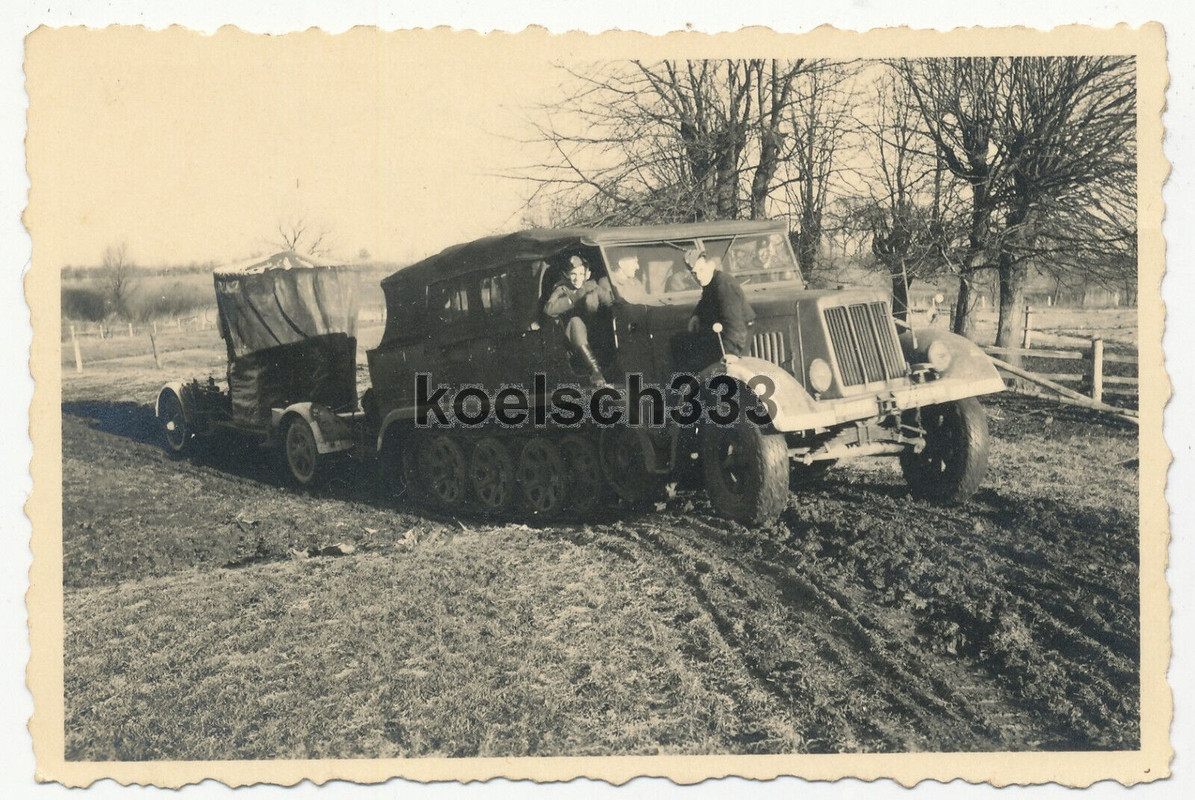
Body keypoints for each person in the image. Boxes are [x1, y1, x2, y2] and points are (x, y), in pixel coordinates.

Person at [543, 254, 613, 386]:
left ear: (587, 274)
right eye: (573, 274)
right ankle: (595, 371)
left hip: (595, 334)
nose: (577, 278)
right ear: (566, 275)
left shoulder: (592, 287)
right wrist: (572, 299)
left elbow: (610, 302)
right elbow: (549, 309)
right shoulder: (562, 289)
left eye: (581, 273)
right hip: (574, 340)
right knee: (575, 321)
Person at [678, 248, 755, 366]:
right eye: (694, 273)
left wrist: (730, 353)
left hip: (736, 339)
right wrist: (696, 315)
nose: (698, 276)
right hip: (724, 334)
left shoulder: (723, 286)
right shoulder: (710, 282)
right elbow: (705, 300)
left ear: (711, 265)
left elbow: (734, 323)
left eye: (701, 270)